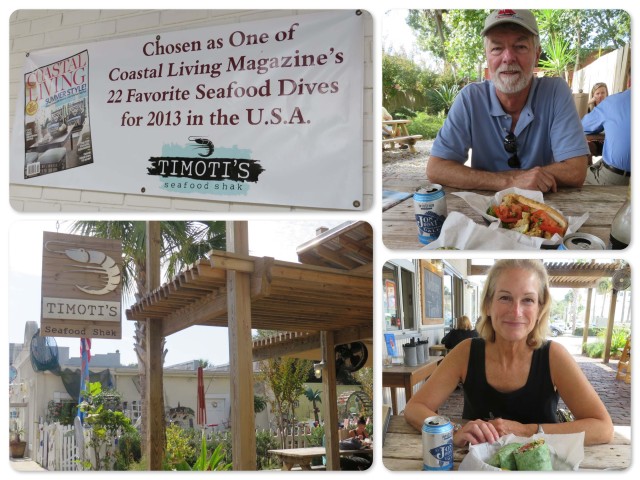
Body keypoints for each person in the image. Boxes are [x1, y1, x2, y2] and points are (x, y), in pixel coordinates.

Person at [404, 259, 613, 447]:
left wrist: (525, 431)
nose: (516, 312)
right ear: (488, 304)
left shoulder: (553, 356)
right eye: (505, 298)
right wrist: (453, 432)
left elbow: (602, 428)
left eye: (528, 300)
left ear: (540, 309)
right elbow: (415, 408)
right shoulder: (466, 352)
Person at [427, 10, 589, 192]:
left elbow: (575, 171)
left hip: (542, 210)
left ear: (536, 54)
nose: (508, 58)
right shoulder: (470, 98)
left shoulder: (555, 92)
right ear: (487, 56)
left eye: (520, 46)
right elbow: (436, 168)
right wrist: (510, 181)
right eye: (497, 48)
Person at [582, 87, 630, 185]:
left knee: (577, 178)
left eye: (602, 93)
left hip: (619, 177)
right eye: (597, 93)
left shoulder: (612, 102)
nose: (600, 96)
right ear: (593, 96)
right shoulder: (594, 107)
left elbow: (581, 126)